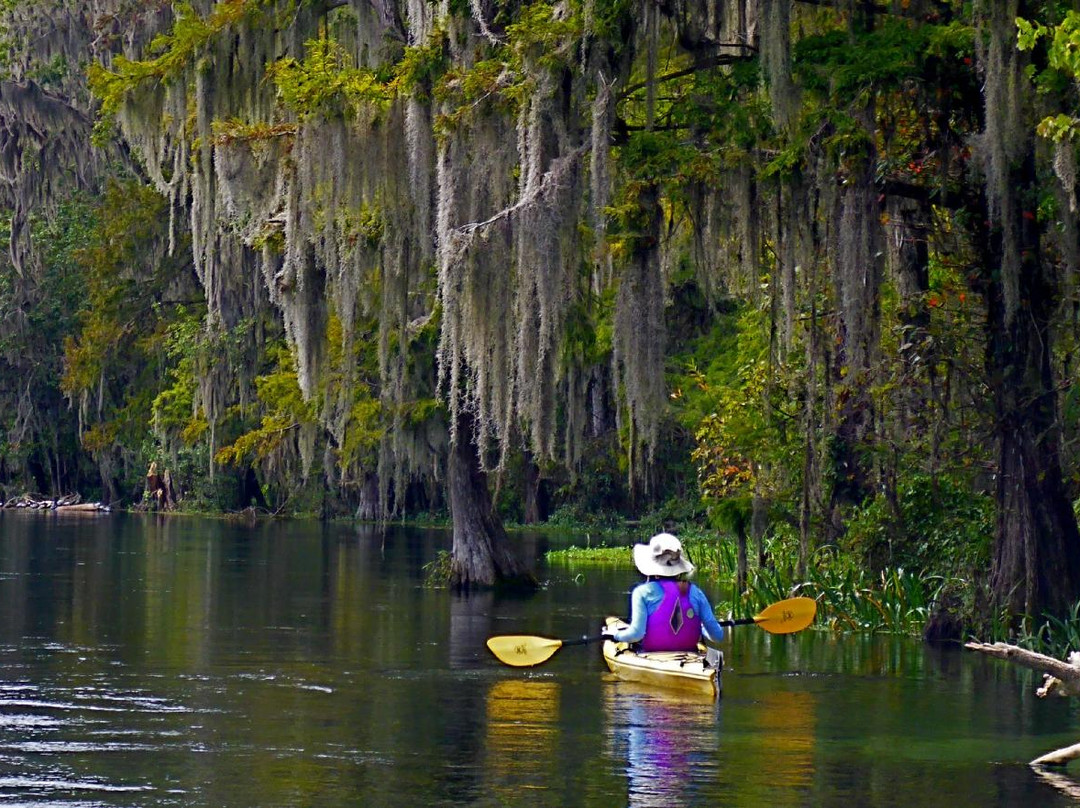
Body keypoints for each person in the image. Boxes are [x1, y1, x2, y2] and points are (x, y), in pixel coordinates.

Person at [601, 532, 724, 651]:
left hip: (651, 654)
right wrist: (702, 629)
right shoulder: (696, 592)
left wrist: (615, 635)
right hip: (690, 653)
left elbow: (637, 634)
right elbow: (718, 636)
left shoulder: (642, 592)